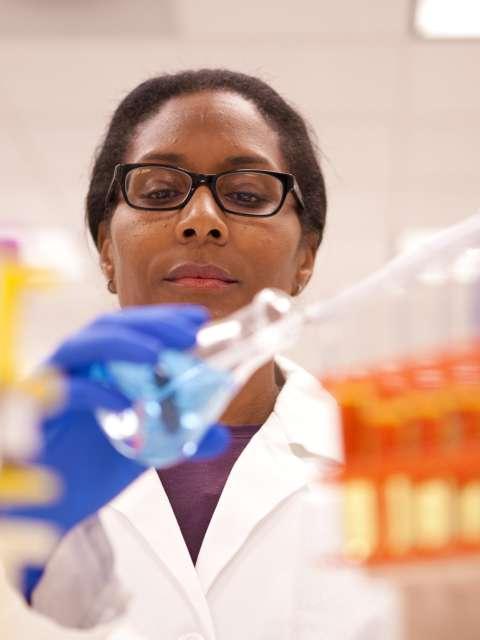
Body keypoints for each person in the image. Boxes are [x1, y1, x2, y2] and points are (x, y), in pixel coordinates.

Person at [2, 69, 397, 639]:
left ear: (305, 258)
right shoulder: (21, 459)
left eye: (246, 195)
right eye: (160, 193)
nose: (202, 221)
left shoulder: (397, 466)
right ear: (107, 252)